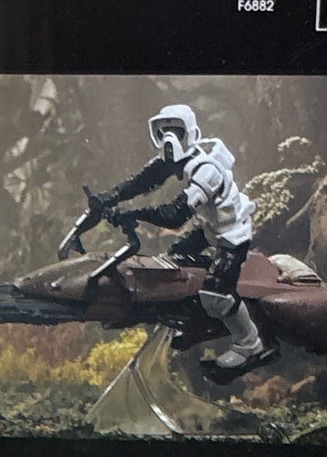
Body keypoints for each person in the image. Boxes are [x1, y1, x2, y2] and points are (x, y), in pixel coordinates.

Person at [72, 104, 274, 381]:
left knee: (217, 292)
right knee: (176, 263)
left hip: (232, 234)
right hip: (210, 227)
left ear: (191, 133)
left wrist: (131, 214)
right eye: (162, 132)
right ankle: (195, 325)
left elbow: (175, 215)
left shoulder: (207, 171)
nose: (169, 139)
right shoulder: (180, 161)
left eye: (176, 131)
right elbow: (142, 182)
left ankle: (250, 345)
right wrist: (109, 197)